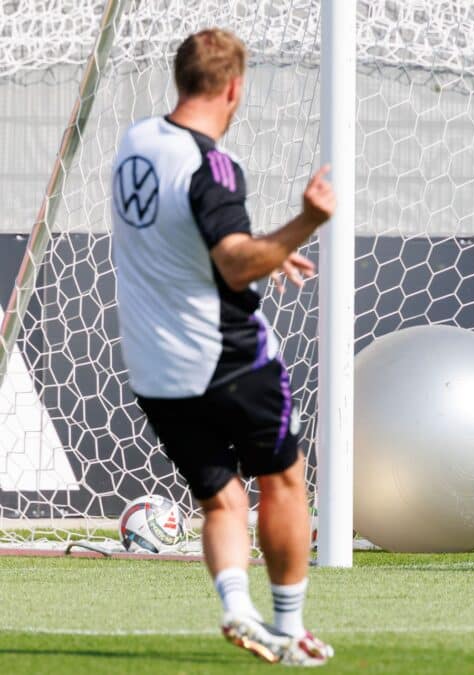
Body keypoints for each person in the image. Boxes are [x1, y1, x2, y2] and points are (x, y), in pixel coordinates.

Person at [111, 29, 338, 664]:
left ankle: (239, 610)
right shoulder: (212, 165)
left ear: (179, 79)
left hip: (155, 366)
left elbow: (189, 238)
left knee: (223, 497)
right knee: (285, 480)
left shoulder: (135, 143)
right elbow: (236, 265)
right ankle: (290, 629)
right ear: (234, 88)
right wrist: (304, 223)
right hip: (227, 356)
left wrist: (266, 246)